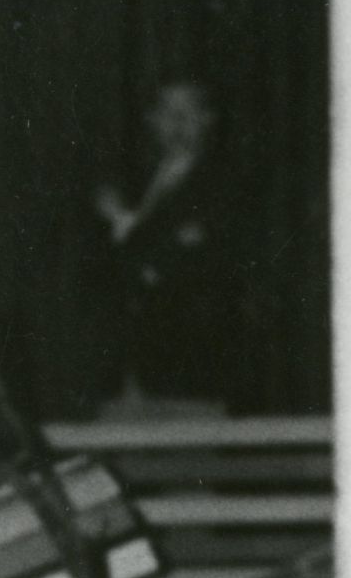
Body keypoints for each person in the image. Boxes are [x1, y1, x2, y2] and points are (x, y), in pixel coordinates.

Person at [88, 77, 243, 408]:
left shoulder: (227, 181)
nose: (178, 123)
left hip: (192, 355)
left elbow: (192, 254)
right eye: (167, 112)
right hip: (130, 358)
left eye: (189, 111)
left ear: (209, 118)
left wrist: (128, 230)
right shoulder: (133, 179)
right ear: (151, 120)